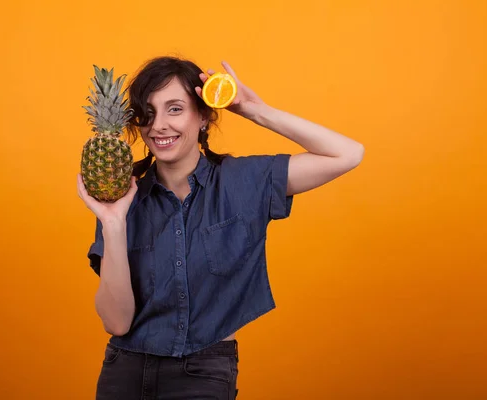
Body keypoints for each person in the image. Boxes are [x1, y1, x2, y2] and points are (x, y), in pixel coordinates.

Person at [77, 56, 364, 400]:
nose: (159, 126)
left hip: (202, 374)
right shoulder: (121, 194)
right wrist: (113, 222)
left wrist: (254, 110)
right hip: (123, 372)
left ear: (204, 116)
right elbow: (117, 323)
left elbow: (347, 154)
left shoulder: (244, 181)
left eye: (175, 109)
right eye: (148, 113)